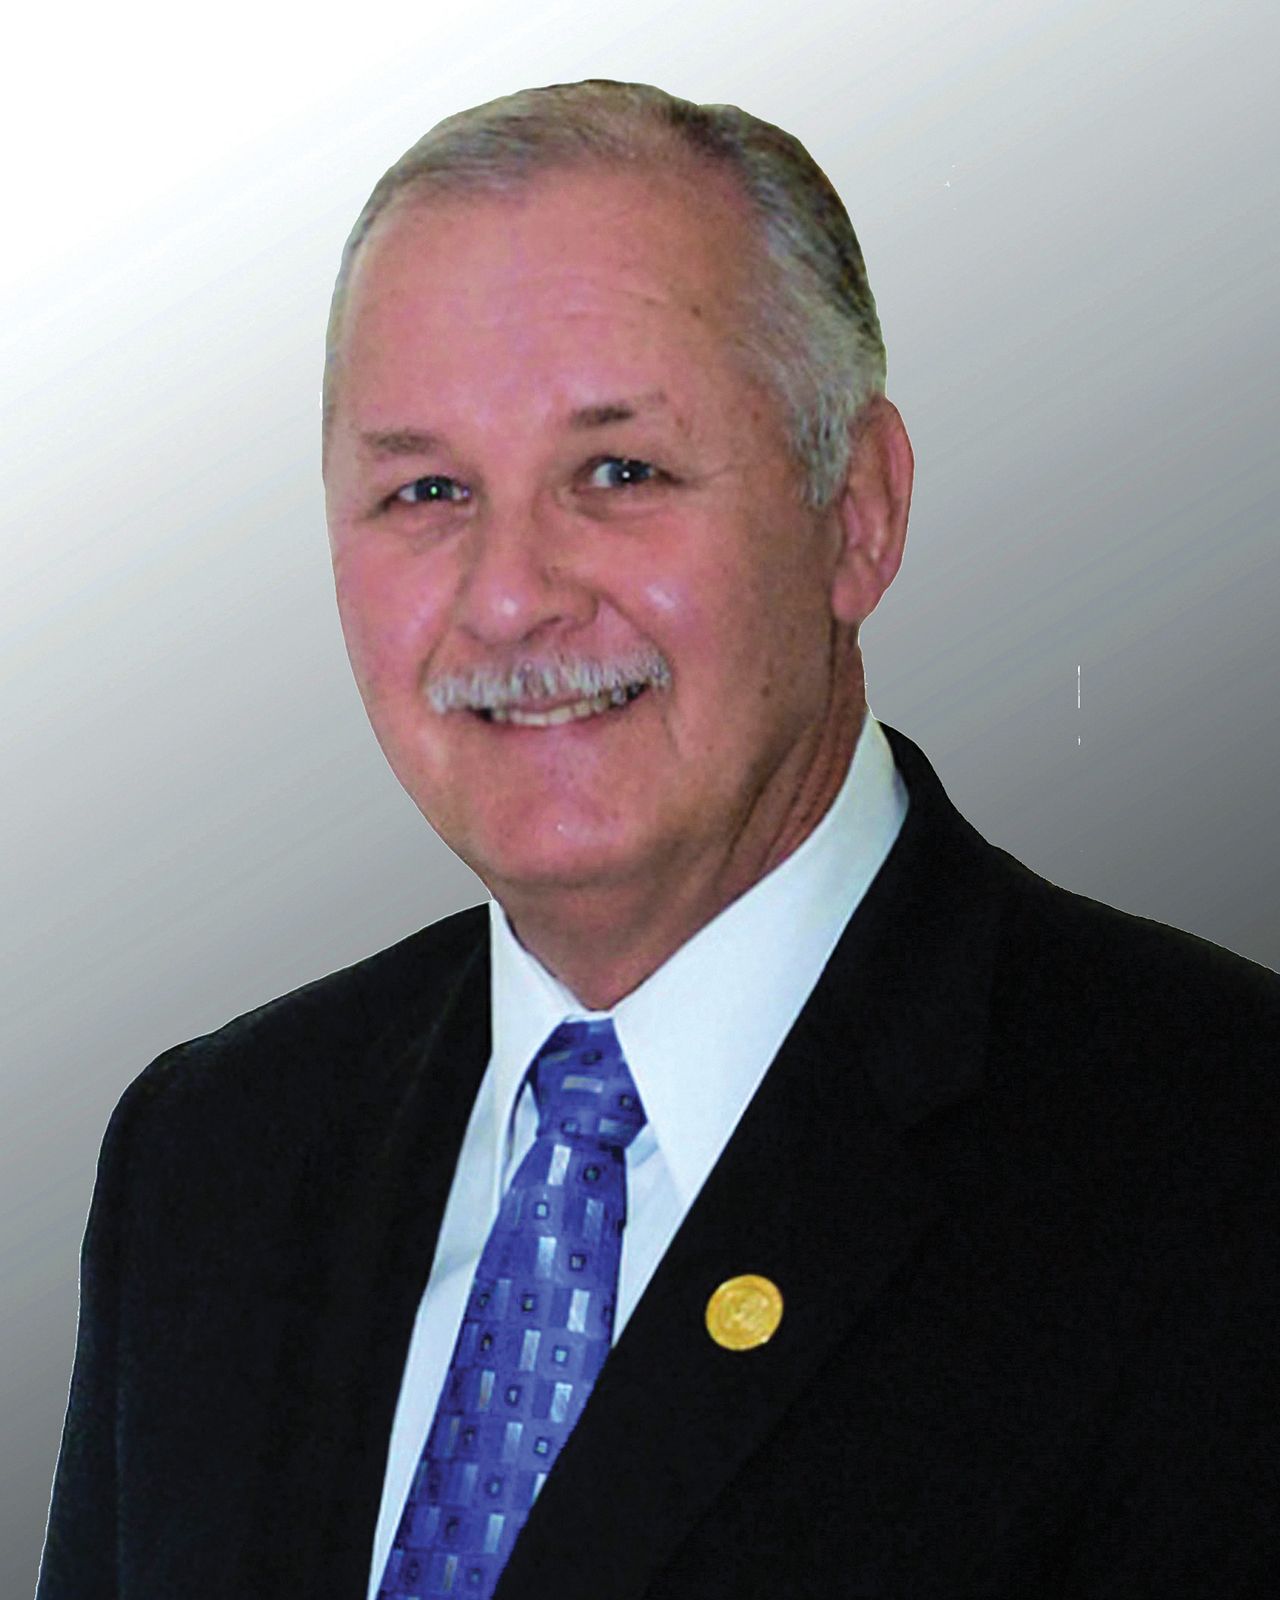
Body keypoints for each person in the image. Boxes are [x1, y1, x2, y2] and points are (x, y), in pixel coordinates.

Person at [37, 79, 1278, 1600]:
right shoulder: (211, 1161)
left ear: (859, 511)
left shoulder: (1218, 1164)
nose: (510, 596)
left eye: (619, 473)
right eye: (426, 490)